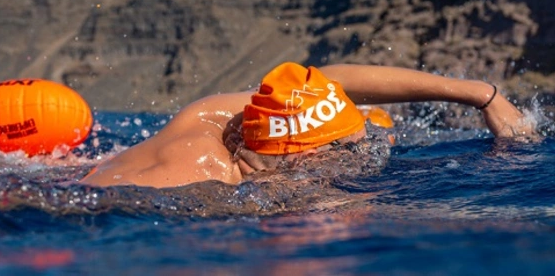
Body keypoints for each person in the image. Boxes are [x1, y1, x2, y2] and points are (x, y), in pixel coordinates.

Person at [80, 62, 535, 189]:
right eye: (349, 151)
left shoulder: (227, 113)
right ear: (300, 157)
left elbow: (328, 79)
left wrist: (481, 94)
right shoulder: (196, 181)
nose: (362, 156)